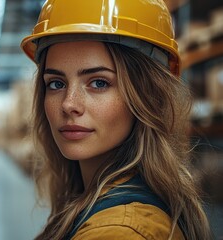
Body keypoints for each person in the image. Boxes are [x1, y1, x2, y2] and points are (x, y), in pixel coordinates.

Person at [20, 0, 213, 239]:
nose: (69, 104)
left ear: (146, 95)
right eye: (56, 84)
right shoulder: (98, 203)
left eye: (99, 83)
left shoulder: (119, 232)